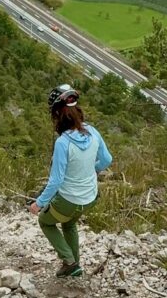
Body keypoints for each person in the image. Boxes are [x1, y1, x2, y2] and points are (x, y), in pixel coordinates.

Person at [29, 84, 112, 277]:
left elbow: (56, 181)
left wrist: (39, 203)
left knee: (45, 222)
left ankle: (70, 261)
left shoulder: (63, 143)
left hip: (69, 201)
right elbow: (107, 159)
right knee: (69, 223)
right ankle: (74, 267)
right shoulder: (92, 131)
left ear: (57, 115)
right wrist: (91, 170)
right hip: (90, 198)